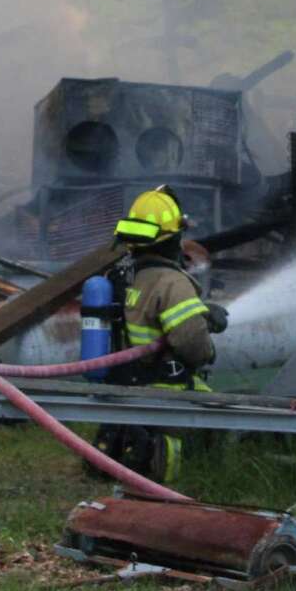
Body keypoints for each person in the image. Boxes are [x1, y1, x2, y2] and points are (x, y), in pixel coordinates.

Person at [97, 185, 225, 481]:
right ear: (173, 238)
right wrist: (209, 347)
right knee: (226, 412)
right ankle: (190, 471)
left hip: (123, 385)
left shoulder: (121, 275)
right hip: (164, 385)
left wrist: (203, 312)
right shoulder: (171, 283)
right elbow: (192, 343)